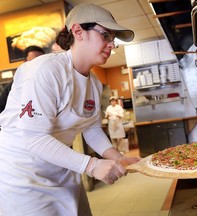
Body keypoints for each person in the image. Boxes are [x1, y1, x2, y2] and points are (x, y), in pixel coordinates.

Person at [0, 3, 139, 216]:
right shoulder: (45, 71)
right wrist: (92, 166)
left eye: (113, 39)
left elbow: (92, 129)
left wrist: (116, 157)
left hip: (60, 166)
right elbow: (35, 138)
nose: (111, 45)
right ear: (78, 31)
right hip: (23, 176)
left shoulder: (93, 83)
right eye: (106, 36)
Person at [0, 45, 45, 113]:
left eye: (41, 61)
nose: (38, 65)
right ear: (25, 62)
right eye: (34, 62)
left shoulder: (50, 82)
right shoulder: (13, 85)